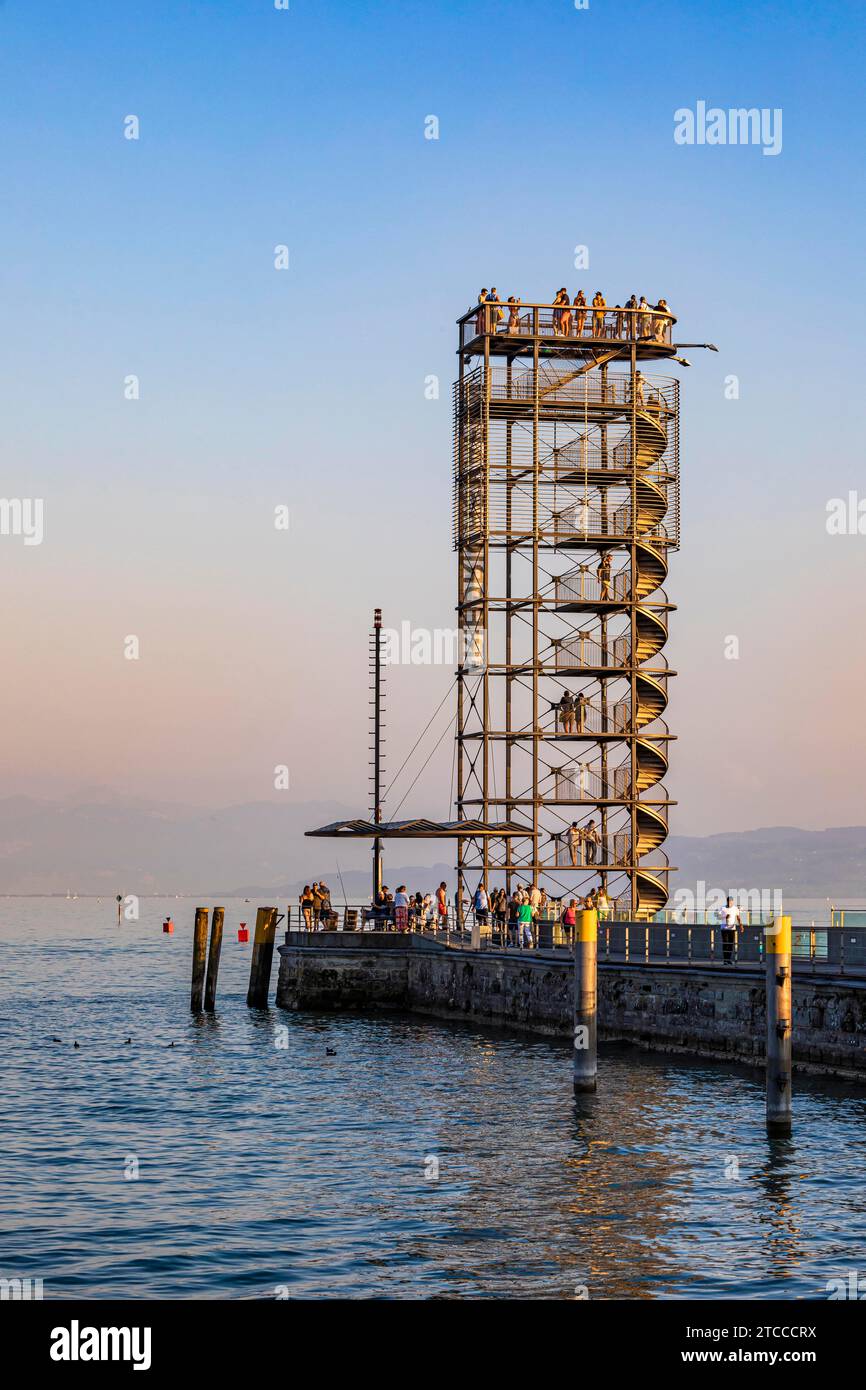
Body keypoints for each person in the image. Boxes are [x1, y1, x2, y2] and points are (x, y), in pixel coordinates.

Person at [721, 895, 741, 964]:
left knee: (730, 944)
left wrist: (741, 925)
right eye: (728, 901)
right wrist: (725, 916)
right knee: (725, 943)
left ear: (732, 902)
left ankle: (728, 959)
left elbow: (738, 917)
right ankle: (725, 960)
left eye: (731, 902)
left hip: (732, 928)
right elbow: (719, 916)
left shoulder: (735, 908)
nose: (730, 903)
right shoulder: (723, 908)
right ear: (727, 902)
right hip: (724, 928)